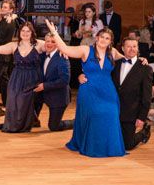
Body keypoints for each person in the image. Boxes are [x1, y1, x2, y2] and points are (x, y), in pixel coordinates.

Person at [46, 23, 125, 157]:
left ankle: (109, 148)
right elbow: (65, 48)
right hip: (89, 90)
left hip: (108, 91)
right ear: (97, 37)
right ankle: (93, 147)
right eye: (102, 37)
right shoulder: (86, 50)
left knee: (111, 115)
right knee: (94, 116)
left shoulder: (113, 52)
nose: (104, 40)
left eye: (107, 38)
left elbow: (128, 59)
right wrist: (54, 32)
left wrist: (141, 59)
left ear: (111, 41)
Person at [114, 36, 153, 150]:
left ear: (138, 48)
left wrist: (141, 117)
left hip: (131, 113)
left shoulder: (145, 68)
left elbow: (146, 96)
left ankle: (144, 133)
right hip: (114, 110)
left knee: (127, 145)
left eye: (134, 46)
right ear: (122, 48)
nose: (132, 49)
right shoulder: (115, 64)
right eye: (129, 46)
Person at [34, 32, 71, 132]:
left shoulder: (62, 57)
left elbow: (64, 80)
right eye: (47, 41)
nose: (49, 44)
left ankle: (75, 122)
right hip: (44, 93)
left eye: (53, 41)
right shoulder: (42, 56)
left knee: (54, 127)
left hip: (58, 97)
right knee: (27, 96)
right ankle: (34, 120)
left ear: (58, 44)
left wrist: (44, 86)